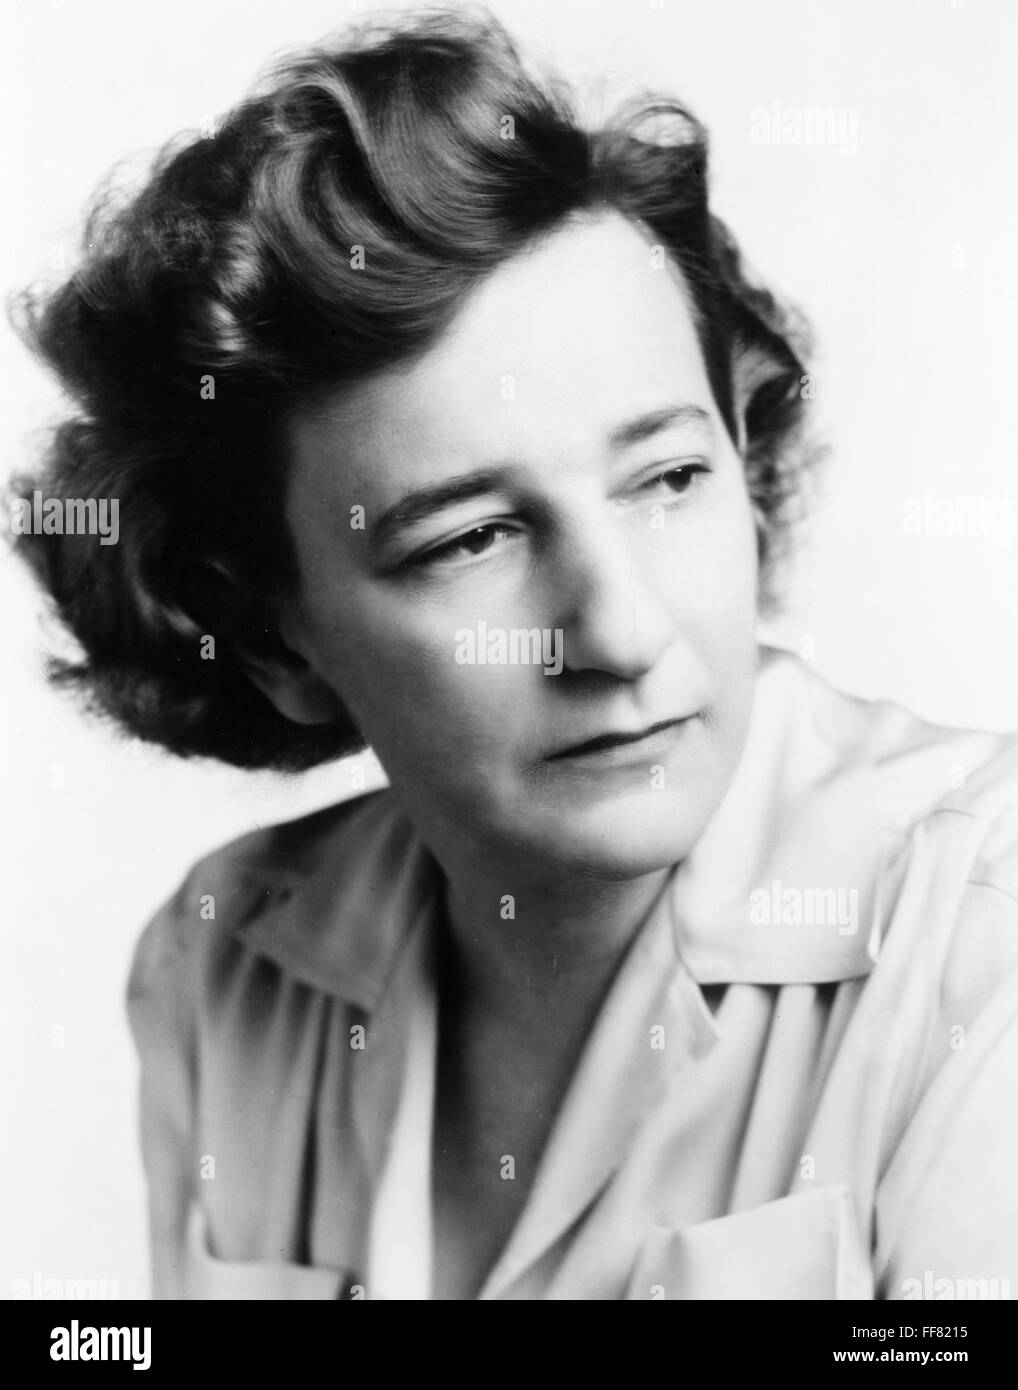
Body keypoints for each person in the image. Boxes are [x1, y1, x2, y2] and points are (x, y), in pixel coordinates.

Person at [10, 8, 1018, 1301]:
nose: (622, 632)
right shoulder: (222, 966)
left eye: (667, 477)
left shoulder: (979, 927)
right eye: (472, 537)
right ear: (272, 636)